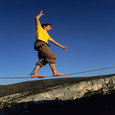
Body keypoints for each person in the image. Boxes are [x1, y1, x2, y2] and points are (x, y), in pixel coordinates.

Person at [32, 10, 68, 78]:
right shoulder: (40, 28)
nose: (50, 28)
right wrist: (40, 14)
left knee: (44, 60)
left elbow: (54, 41)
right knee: (52, 56)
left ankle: (35, 73)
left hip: (43, 45)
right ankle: (55, 72)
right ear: (44, 26)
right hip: (41, 44)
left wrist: (62, 46)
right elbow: (36, 18)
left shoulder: (47, 35)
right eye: (49, 26)